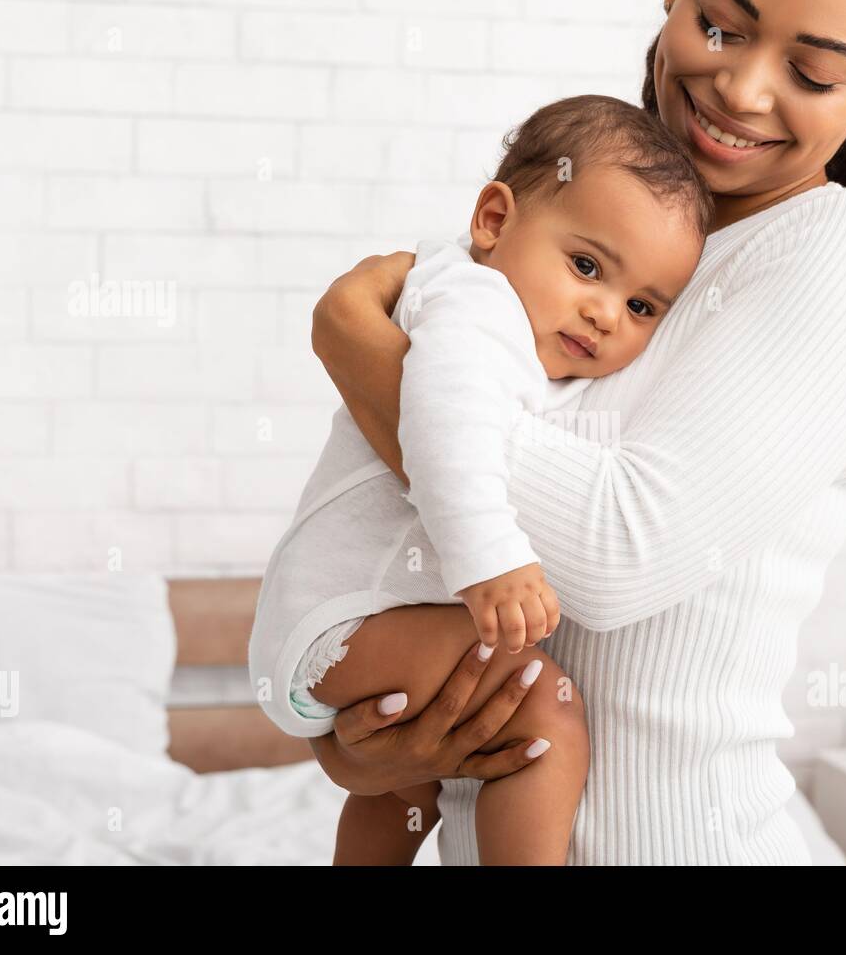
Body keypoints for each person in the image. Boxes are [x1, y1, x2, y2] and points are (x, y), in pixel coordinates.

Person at [308, 0, 846, 865]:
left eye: (811, 72)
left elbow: (617, 554)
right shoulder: (609, 236)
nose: (742, 86)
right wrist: (358, 738)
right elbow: (405, 552)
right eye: (722, 25)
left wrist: (359, 348)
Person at [249, 95, 711, 864]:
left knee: (404, 788)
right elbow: (442, 422)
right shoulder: (477, 304)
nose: (603, 313)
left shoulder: (522, 331)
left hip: (346, 616)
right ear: (494, 222)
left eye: (639, 306)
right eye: (587, 266)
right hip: (351, 619)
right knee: (547, 717)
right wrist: (493, 560)